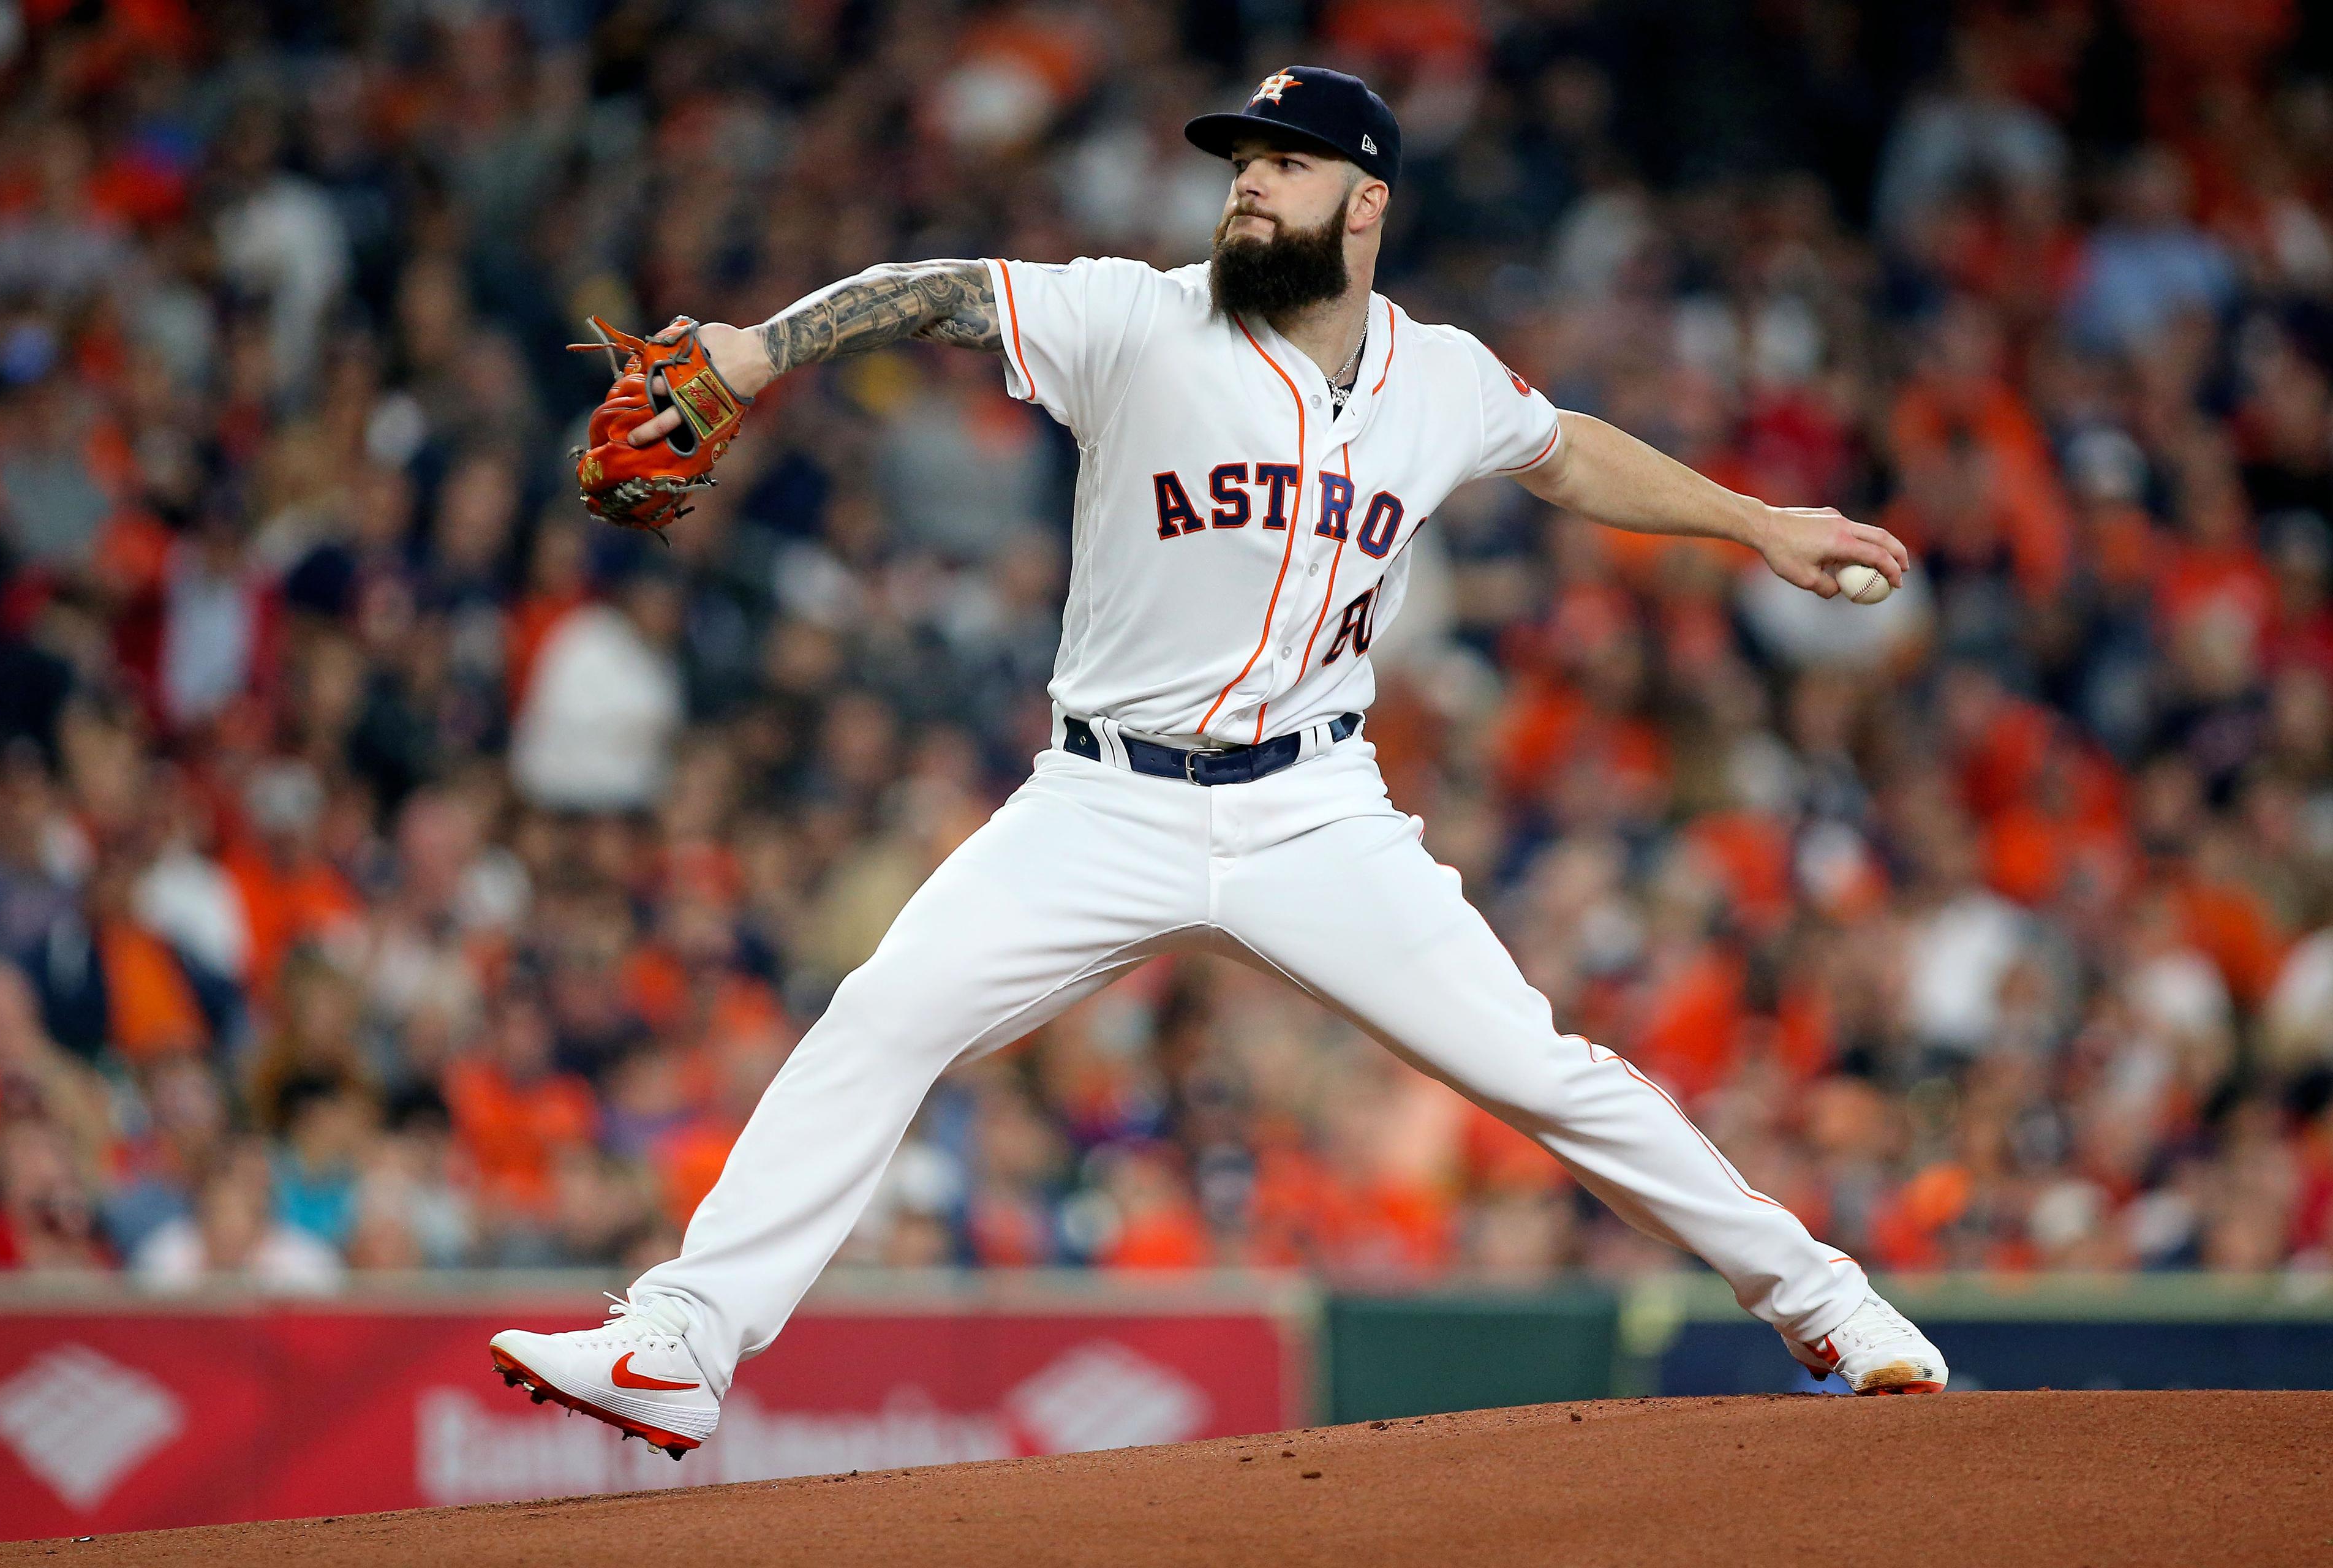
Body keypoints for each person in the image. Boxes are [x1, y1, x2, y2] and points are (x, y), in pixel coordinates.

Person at [490, 66, 1945, 1457]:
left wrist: (1755, 520)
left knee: (1549, 1075)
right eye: (1240, 165)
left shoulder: (1439, 378)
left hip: (1317, 811)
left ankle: (1833, 1307)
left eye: (1284, 166)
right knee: (882, 1016)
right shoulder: (1132, 318)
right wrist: (758, 348)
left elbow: (1564, 451)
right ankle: (682, 1342)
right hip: (1100, 798)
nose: (1248, 189)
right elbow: (933, 293)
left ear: (1365, 200)